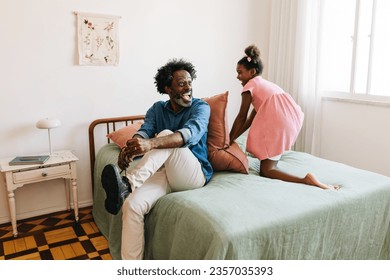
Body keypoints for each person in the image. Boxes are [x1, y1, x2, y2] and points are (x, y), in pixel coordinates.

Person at [101, 58, 213, 260]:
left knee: (167, 134)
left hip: (193, 175)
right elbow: (144, 131)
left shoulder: (201, 107)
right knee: (131, 206)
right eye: (181, 84)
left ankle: (128, 182)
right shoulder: (157, 109)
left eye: (190, 82)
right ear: (167, 88)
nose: (188, 87)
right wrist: (131, 147)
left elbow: (188, 134)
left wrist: (151, 144)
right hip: (164, 172)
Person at [229, 45, 338, 190]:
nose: (237, 76)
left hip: (278, 120)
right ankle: (306, 179)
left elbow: (242, 117)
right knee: (269, 164)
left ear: (252, 72)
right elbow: (250, 120)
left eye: (240, 72)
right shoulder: (265, 85)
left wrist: (228, 139)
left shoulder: (249, 87)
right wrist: (232, 139)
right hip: (289, 119)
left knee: (267, 171)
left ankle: (305, 180)